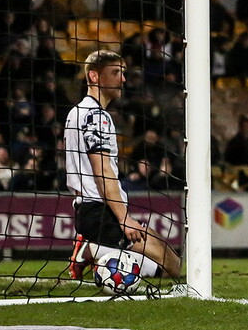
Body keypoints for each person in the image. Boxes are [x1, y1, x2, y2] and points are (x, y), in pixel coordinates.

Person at [64, 50, 181, 282]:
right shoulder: (97, 116)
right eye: (116, 72)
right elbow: (103, 172)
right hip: (100, 212)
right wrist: (124, 218)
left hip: (92, 210)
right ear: (95, 77)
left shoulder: (76, 112)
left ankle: (95, 249)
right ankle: (94, 250)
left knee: (166, 253)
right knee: (171, 267)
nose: (123, 79)